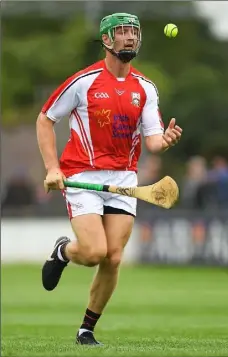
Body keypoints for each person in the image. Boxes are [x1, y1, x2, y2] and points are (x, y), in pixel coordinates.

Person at [36, 12, 183, 346]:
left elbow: (153, 139)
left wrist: (166, 140)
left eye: (134, 32)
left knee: (113, 257)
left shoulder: (145, 88)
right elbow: (45, 119)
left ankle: (86, 329)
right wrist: (51, 168)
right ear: (106, 40)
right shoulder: (84, 82)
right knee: (92, 253)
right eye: (122, 32)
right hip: (82, 174)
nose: (130, 37)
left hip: (124, 179)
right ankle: (63, 252)